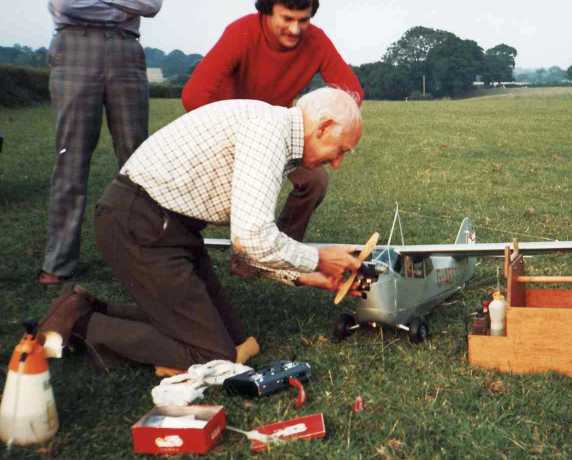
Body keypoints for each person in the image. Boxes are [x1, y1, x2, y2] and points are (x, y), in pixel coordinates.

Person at [39, 87, 363, 373]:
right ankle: (81, 325)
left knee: (232, 336)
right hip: (140, 226)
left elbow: (248, 245)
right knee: (213, 354)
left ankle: (84, 307)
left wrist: (309, 276)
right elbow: (252, 238)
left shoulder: (274, 129)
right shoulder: (268, 132)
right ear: (323, 127)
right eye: (342, 150)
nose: (337, 163)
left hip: (171, 228)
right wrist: (319, 259)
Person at [181, 0, 364, 243]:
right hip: (228, 135)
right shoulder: (241, 31)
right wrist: (229, 132)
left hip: (278, 135)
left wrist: (315, 114)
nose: (295, 29)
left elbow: (352, 92)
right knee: (213, 196)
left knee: (315, 181)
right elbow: (194, 95)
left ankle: (281, 249)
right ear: (267, 12)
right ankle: (179, 244)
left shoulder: (316, 41)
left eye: (304, 20)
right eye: (287, 19)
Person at [38, 0, 163, 285]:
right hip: (74, 45)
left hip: (126, 48)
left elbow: (151, 5)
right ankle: (58, 263)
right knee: (70, 157)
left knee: (136, 156)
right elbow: (64, 6)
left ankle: (146, 252)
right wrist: (123, 8)